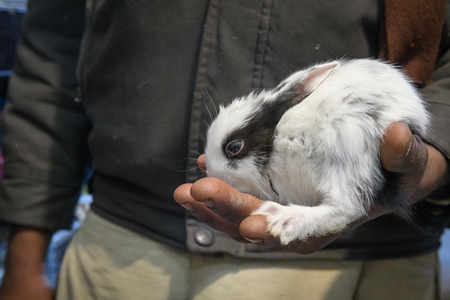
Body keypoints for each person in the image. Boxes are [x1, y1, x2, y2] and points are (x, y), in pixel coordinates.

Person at [0, 1, 450, 299]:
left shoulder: (303, 109)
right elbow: (51, 61)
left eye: (235, 150)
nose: (212, 172)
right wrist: (26, 252)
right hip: (118, 250)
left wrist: (434, 155)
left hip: (360, 266)